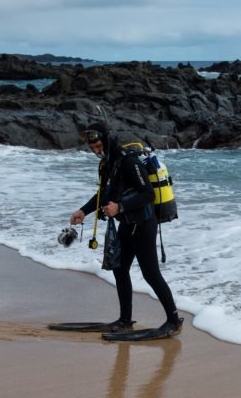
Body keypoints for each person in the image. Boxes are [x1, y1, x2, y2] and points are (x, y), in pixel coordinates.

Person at [70, 122, 183, 337]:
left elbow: (148, 194)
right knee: (120, 269)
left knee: (151, 274)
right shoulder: (107, 163)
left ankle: (173, 321)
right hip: (127, 224)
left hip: (144, 223)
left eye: (98, 146)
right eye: (92, 148)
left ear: (106, 139)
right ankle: (125, 320)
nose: (96, 150)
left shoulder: (128, 161)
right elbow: (103, 193)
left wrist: (120, 207)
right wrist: (83, 211)